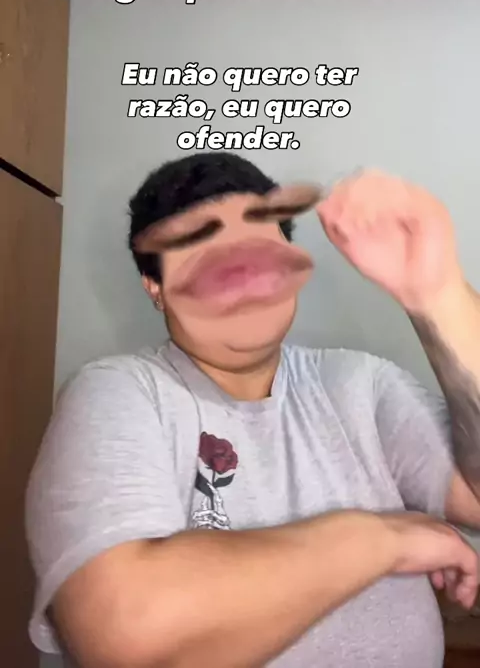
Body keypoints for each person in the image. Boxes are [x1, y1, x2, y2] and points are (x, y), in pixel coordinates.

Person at [26, 152, 480, 668]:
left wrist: (438, 294)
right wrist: (381, 539)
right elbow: (128, 637)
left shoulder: (361, 383)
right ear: (155, 287)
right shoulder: (118, 394)